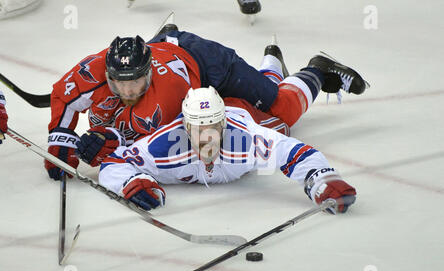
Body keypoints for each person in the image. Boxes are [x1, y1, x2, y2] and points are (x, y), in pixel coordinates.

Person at [46, 29, 367, 181]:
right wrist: (60, 141)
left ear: (148, 73)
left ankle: (317, 69)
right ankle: (270, 67)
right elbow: (64, 97)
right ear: (107, 73)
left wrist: (104, 143)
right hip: (182, 71)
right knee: (258, 106)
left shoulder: (163, 99)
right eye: (120, 83)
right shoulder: (91, 71)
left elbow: (143, 144)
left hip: (208, 63)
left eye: (136, 83)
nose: (128, 90)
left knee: (279, 114)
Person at [98, 83, 357, 215]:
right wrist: (133, 182)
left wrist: (323, 180)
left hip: (242, 109)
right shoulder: (163, 146)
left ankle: (308, 70)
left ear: (223, 123)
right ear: (185, 127)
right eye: (198, 128)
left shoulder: (245, 138)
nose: (206, 136)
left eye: (213, 126)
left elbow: (294, 153)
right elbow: (114, 162)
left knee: (284, 112)